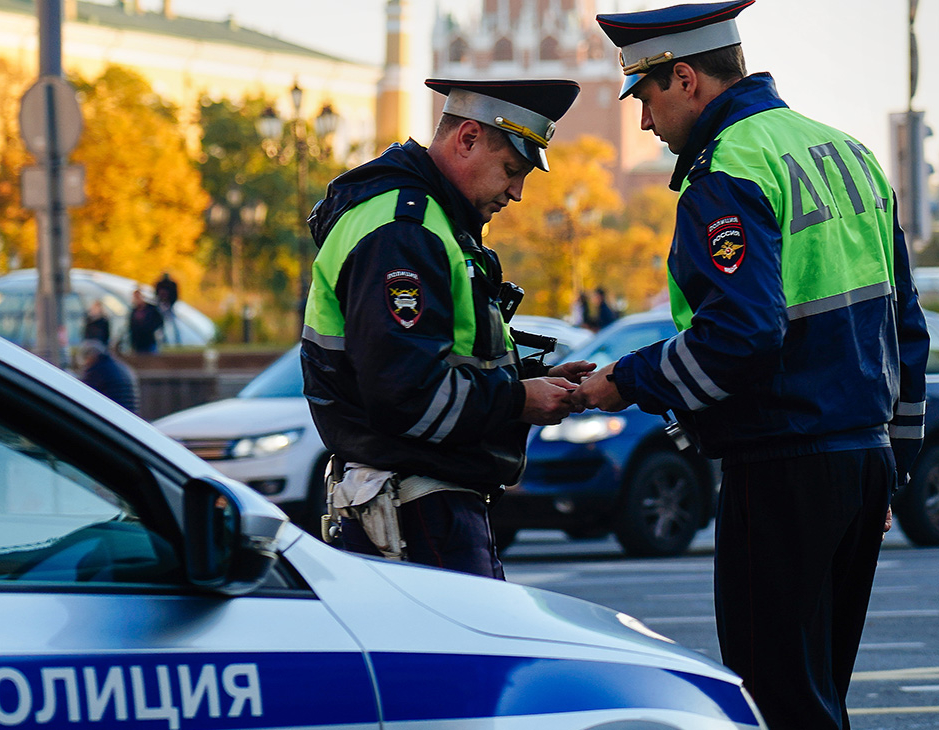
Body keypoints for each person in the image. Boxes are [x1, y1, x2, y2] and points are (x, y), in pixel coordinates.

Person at [576, 2, 930, 727]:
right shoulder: (849, 152)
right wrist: (893, 463)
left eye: (644, 97)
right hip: (861, 465)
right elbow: (907, 329)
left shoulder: (728, 167)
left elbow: (739, 337)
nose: (644, 122)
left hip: (781, 468)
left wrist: (622, 383)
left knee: (775, 703)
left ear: (683, 78)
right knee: (821, 694)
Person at [302, 78, 595, 579]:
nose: (517, 192)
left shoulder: (423, 219)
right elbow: (406, 394)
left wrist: (528, 382)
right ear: (466, 139)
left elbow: (431, 361)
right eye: (511, 170)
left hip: (420, 503)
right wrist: (519, 400)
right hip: (419, 511)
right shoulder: (406, 230)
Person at [77, 338, 140, 413]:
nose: (85, 366)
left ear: (90, 356)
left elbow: (83, 392)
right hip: (130, 414)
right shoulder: (119, 366)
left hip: (112, 415)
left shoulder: (97, 370)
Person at [128, 287, 162, 354]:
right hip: (138, 344)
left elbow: (159, 322)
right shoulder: (134, 311)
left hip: (149, 342)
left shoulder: (152, 309)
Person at [154, 272, 181, 345]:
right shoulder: (161, 284)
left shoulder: (167, 285)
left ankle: (176, 341)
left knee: (172, 325)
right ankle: (165, 341)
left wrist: (169, 303)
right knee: (162, 325)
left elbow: (175, 295)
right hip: (162, 306)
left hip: (168, 306)